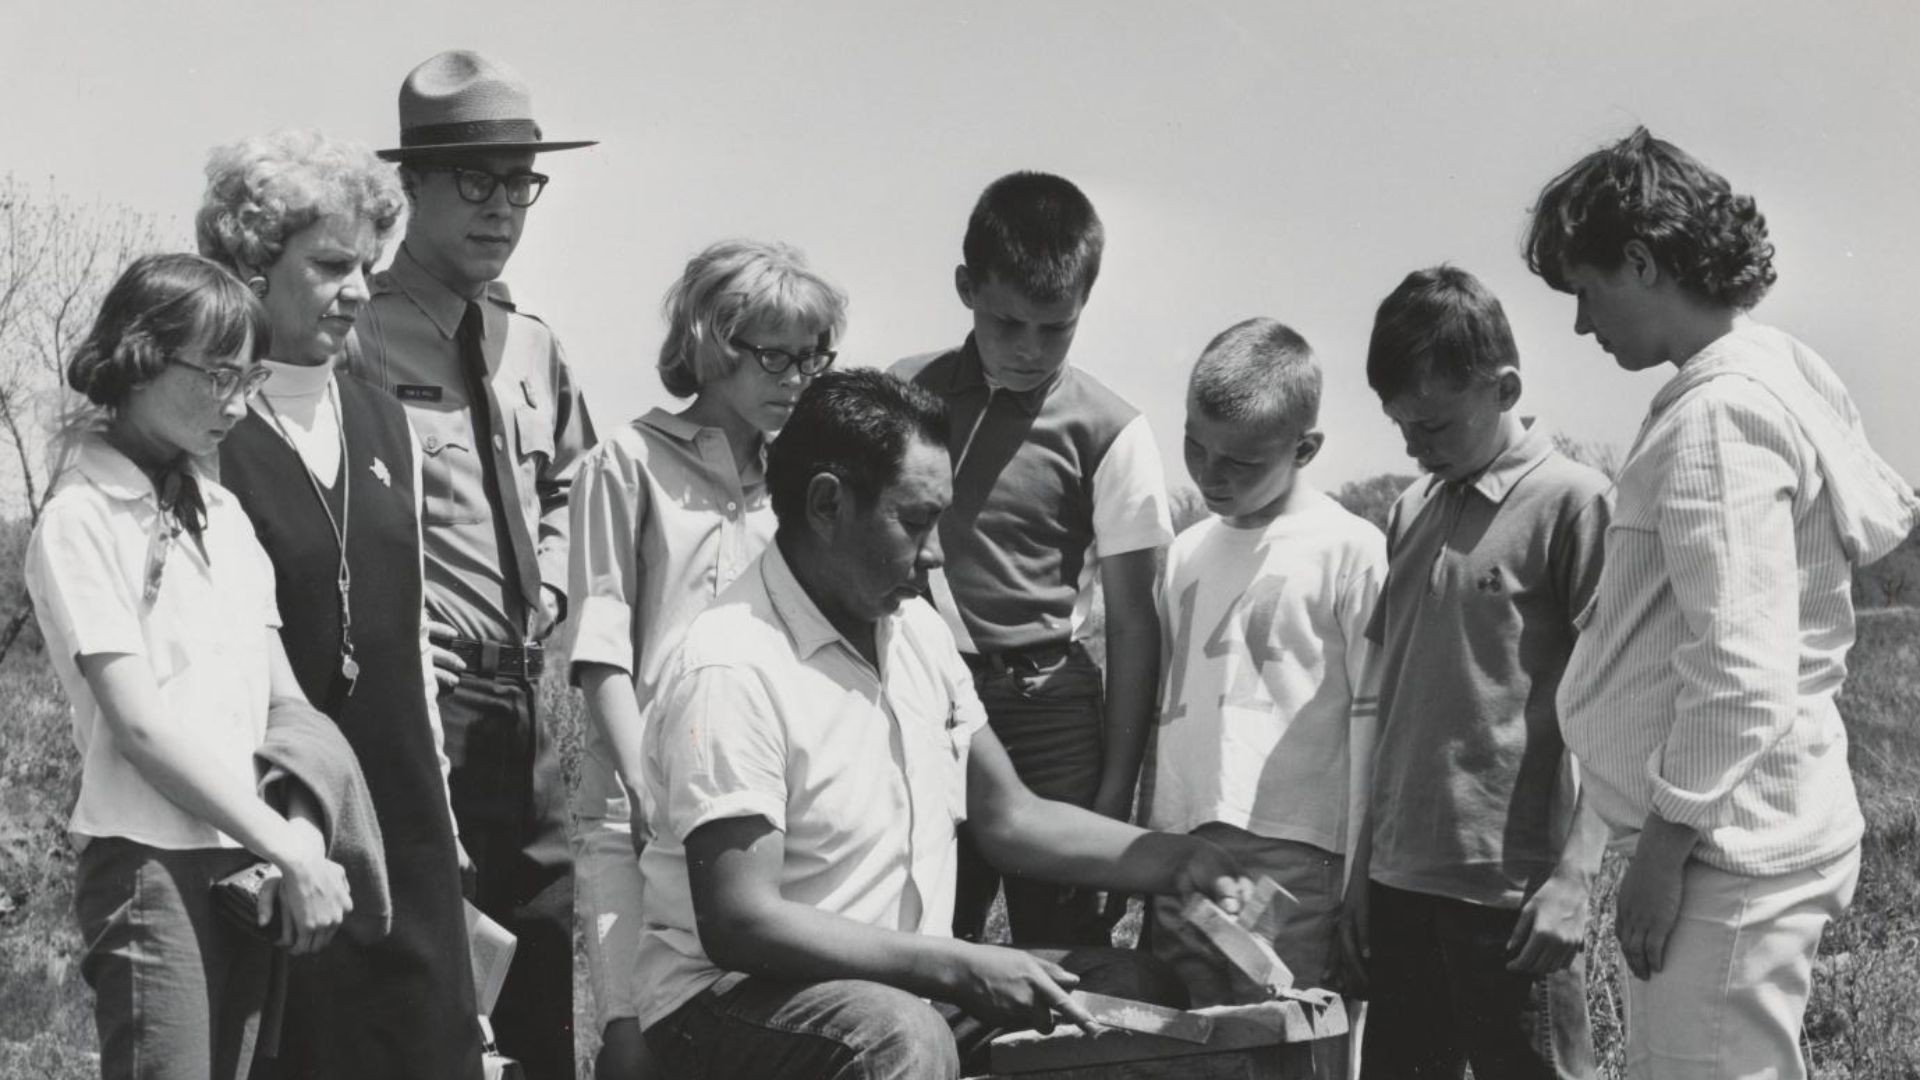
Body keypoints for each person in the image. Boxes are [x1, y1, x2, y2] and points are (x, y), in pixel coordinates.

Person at [634, 369, 1248, 1080]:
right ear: (827, 504)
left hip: (899, 985)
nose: (934, 553)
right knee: (902, 1037)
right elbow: (742, 921)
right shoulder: (733, 664)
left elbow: (1009, 817)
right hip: (731, 1005)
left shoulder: (916, 632)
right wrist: (955, 965)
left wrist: (1175, 861)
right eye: (915, 521)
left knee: (1128, 994)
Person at [1523, 128, 1919, 1079]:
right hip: (1752, 822)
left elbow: (1742, 670)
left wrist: (1662, 852)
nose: (1581, 325)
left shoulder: (1715, 418)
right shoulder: (1770, 365)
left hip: (1726, 848)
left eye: (1585, 290)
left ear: (1641, 259)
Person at [196, 128, 484, 1078]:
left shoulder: (383, 417)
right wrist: (271, 840)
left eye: (366, 265)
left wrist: (443, 819)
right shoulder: (206, 432)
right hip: (280, 828)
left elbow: (405, 642)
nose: (357, 289)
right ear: (249, 263)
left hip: (403, 820)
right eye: (328, 264)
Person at [25, 252, 354, 1080]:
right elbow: (138, 725)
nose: (238, 407)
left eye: (249, 382)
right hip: (152, 862)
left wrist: (301, 844)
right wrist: (282, 841)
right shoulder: (82, 518)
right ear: (139, 356)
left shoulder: (227, 516)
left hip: (252, 863)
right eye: (219, 377)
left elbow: (289, 707)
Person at [347, 50, 597, 1077]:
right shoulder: (354, 335)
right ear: (410, 185)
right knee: (425, 981)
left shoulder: (529, 345)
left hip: (526, 706)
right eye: (475, 180)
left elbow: (571, 489)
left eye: (522, 182)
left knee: (538, 962)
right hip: (419, 699)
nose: (504, 207)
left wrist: (543, 596)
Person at [566, 239, 847, 1079]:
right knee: (634, 1041)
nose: (796, 377)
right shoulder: (630, 461)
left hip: (750, 804)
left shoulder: (806, 483)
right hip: (638, 800)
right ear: (713, 344)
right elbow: (600, 649)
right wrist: (648, 789)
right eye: (775, 356)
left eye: (812, 357)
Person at [1339, 266, 1610, 1079]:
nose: (1415, 448)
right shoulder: (1410, 509)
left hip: (1512, 895)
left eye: (1434, 426)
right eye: (1402, 429)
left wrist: (1576, 876)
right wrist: (1362, 872)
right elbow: (1396, 707)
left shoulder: (1575, 502)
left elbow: (1622, 702)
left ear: (1505, 388)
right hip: (1400, 882)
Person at [895, 171, 1171, 947]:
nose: (1028, 350)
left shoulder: (1113, 430)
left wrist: (1111, 804)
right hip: (924, 700)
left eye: (1056, 329)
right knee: (924, 937)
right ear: (965, 288)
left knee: (1063, 955)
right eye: (1007, 322)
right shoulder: (899, 394)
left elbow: (1135, 629)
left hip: (1051, 714)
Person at [1144, 318, 1383, 1020]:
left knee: (1282, 1031)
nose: (1210, 473)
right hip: (1183, 847)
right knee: (1186, 1040)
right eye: (1194, 444)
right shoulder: (1184, 552)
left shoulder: (1352, 549)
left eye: (1240, 462)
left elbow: (1373, 720)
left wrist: (1357, 874)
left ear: (1305, 448)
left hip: (1296, 852)